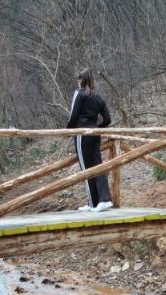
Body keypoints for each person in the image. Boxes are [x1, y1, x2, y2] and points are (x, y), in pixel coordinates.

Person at [68, 68, 113, 212]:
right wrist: (97, 127)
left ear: (82, 81)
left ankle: (95, 202)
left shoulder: (79, 94)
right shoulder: (98, 98)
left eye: (78, 79)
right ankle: (103, 200)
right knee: (97, 165)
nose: (77, 82)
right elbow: (107, 120)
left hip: (82, 134)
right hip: (95, 134)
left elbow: (73, 115)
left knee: (86, 168)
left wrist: (68, 130)